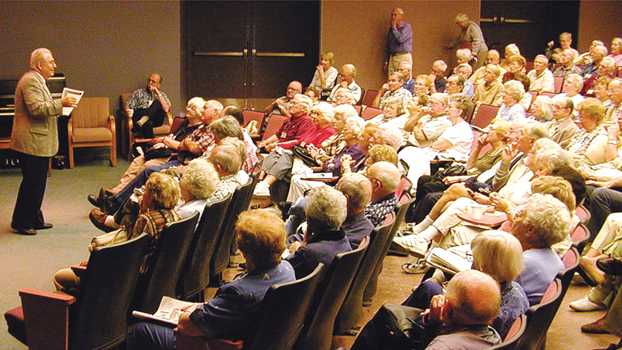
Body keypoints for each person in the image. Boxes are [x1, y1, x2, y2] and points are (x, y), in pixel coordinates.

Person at [126, 209, 296, 350]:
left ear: (243, 250)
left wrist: (189, 312)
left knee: (140, 330)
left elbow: (188, 326)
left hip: (215, 342)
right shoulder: (287, 270)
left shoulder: (240, 294)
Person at [54, 172, 182, 292]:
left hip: (129, 282)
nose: (142, 196)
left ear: (151, 198)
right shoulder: (176, 217)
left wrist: (96, 263)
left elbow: (130, 258)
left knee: (59, 276)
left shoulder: (146, 220)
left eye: (146, 193)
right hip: (160, 280)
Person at [10, 48, 77, 236]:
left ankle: (34, 219)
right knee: (32, 183)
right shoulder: (31, 80)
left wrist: (60, 105)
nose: (55, 65)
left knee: (37, 183)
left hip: (36, 141)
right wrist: (60, 104)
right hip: (31, 143)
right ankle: (21, 222)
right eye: (51, 62)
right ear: (40, 65)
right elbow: (36, 109)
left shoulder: (37, 80)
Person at [512, 194, 570, 305]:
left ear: (529, 230)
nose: (514, 220)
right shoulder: (553, 258)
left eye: (519, 215)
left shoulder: (522, 262)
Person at [286, 186, 351, 278]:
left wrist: (295, 252)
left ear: (309, 221)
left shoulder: (308, 254)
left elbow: (285, 273)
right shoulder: (345, 240)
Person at [126, 73, 172, 138]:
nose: (150, 83)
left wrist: (158, 93)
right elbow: (129, 105)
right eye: (149, 80)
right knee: (148, 123)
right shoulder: (138, 92)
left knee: (157, 103)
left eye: (153, 81)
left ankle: (143, 119)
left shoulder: (162, 95)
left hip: (156, 120)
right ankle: (149, 146)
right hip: (140, 116)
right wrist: (127, 109)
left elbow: (166, 109)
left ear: (159, 85)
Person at [364, 161, 401, 226]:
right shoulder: (394, 198)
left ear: (376, 185)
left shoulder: (370, 214)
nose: (364, 178)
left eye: (367, 176)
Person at [384, 8, 413, 76]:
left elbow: (400, 39)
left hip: (402, 56)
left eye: (395, 15)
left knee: (403, 77)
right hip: (392, 57)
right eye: (392, 15)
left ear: (401, 17)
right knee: (392, 78)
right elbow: (388, 45)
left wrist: (394, 27)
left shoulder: (406, 27)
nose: (393, 17)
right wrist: (386, 61)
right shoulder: (391, 29)